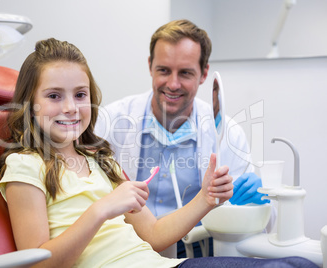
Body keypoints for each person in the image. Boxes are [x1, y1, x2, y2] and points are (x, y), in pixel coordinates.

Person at [0, 38, 316, 268]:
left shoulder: (100, 160)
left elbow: (154, 235)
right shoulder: (25, 165)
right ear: (29, 103)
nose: (70, 108)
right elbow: (36, 264)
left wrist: (206, 197)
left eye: (80, 94)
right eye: (54, 95)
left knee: (299, 263)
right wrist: (102, 209)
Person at [94, 20, 269, 256]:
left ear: (204, 73)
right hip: (127, 252)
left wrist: (257, 202)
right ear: (150, 66)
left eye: (185, 73)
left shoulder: (227, 133)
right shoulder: (111, 122)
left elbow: (251, 224)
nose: (173, 84)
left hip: (200, 252)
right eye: (164, 70)